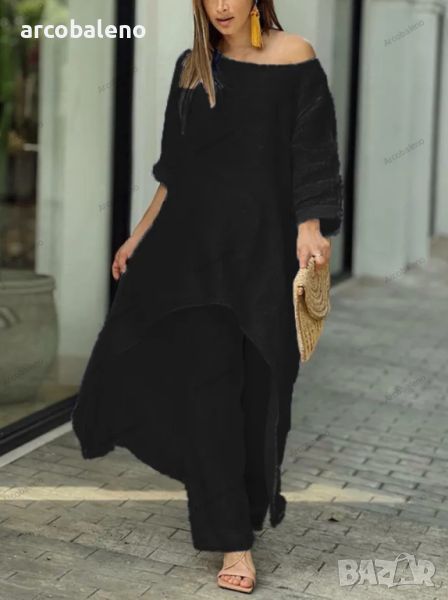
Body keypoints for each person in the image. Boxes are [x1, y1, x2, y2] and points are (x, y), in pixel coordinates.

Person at [71, 0, 344, 593]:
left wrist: (309, 225)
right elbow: (176, 172)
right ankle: (233, 542)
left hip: (263, 257)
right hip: (191, 258)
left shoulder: (294, 56)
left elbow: (313, 149)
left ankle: (245, 506)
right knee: (209, 395)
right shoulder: (192, 67)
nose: (221, 5)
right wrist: (139, 236)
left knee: (261, 394)